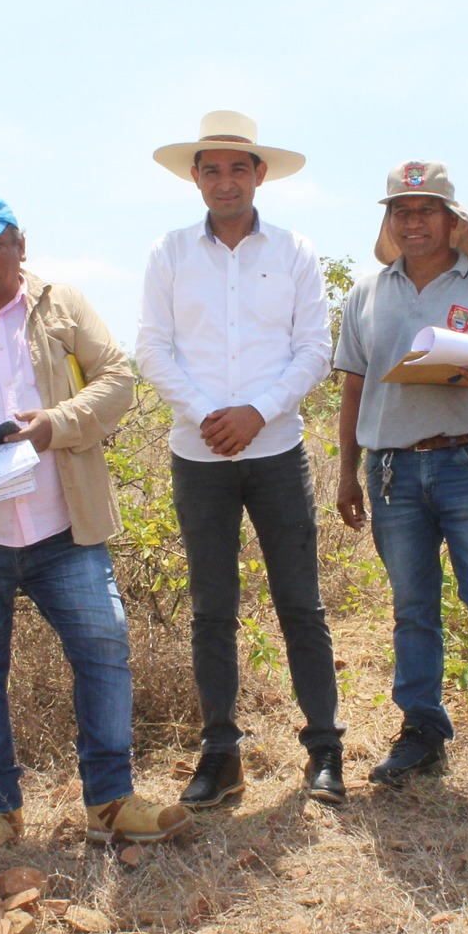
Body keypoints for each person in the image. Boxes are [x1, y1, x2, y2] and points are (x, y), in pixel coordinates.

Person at [0, 195, 193, 858]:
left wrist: (54, 424)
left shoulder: (63, 307)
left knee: (104, 646)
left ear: (20, 246)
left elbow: (117, 381)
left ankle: (110, 800)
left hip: (63, 526)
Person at [137, 111, 344, 808]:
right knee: (212, 608)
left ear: (260, 174)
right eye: (210, 168)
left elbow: (314, 348)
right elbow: (153, 348)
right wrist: (207, 413)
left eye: (237, 167)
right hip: (199, 455)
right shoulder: (168, 253)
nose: (224, 181)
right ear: (195, 178)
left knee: (301, 604)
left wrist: (257, 411)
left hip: (277, 450)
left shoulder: (294, 252)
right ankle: (221, 754)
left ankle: (324, 750)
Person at [334, 160, 468, 810]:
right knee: (412, 607)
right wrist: (346, 468)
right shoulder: (367, 291)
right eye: (401, 210)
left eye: (426, 210)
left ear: (453, 221)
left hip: (466, 464)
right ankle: (422, 729)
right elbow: (354, 383)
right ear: (388, 221)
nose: (412, 221)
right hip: (392, 468)